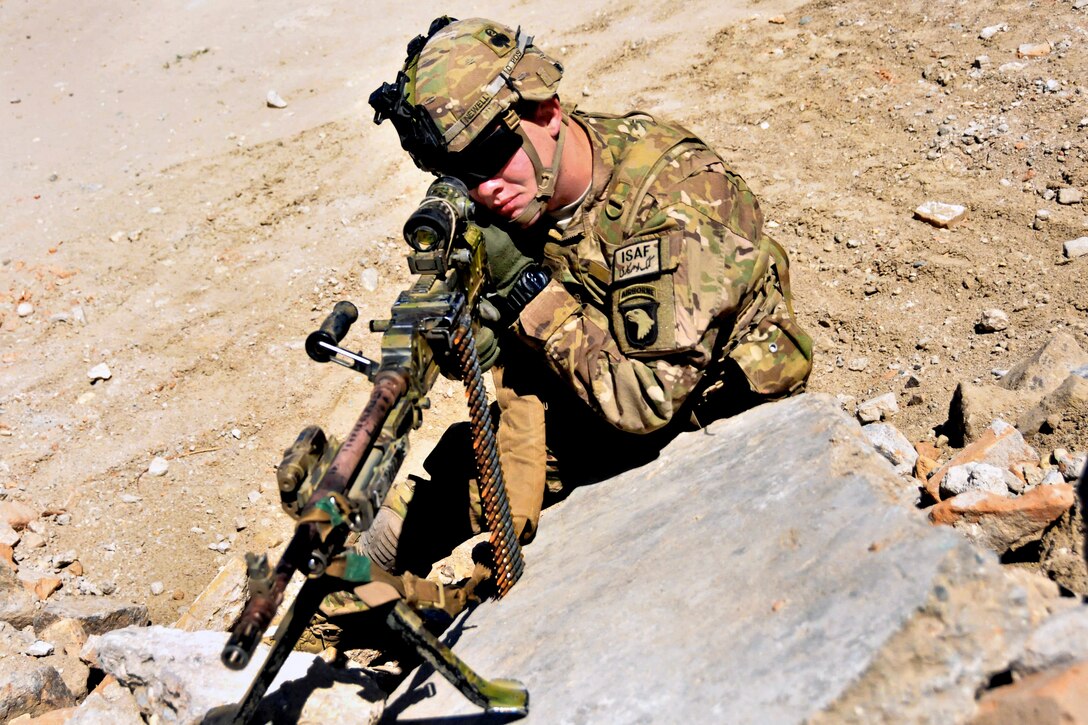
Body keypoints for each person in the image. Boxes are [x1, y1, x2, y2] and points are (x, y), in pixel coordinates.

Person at [363, 16, 813, 575]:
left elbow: (644, 401)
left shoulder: (675, 199)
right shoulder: (520, 188)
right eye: (455, 175)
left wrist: (524, 292)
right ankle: (354, 585)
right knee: (434, 500)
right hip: (599, 388)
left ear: (546, 112)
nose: (484, 190)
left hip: (711, 413)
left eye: (489, 156)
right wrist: (474, 333)